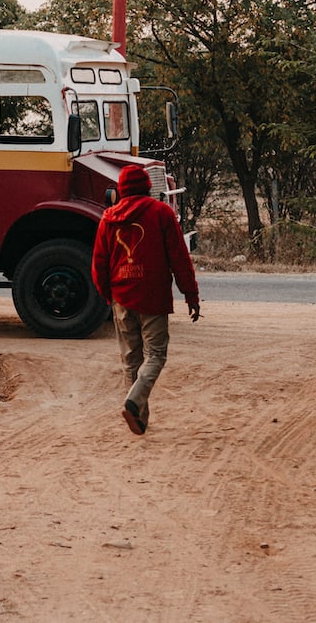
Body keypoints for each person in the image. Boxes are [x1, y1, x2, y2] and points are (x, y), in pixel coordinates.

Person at [91, 164, 201, 436]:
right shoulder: (161, 213)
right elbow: (179, 258)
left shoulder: (108, 217)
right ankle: (133, 402)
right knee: (156, 355)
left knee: (131, 359)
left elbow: (99, 263)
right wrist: (190, 293)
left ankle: (139, 419)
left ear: (121, 189)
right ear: (148, 187)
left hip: (121, 296)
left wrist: (108, 294)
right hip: (152, 295)